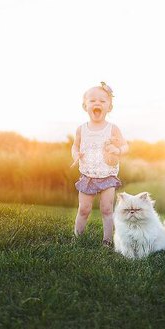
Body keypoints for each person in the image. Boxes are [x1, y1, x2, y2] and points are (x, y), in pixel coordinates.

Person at [71, 82, 129, 247]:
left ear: (109, 107)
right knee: (84, 209)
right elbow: (75, 145)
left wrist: (117, 150)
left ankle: (107, 241)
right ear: (85, 106)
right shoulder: (81, 129)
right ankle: (77, 238)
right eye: (93, 101)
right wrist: (75, 154)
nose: (97, 104)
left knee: (106, 209)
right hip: (87, 175)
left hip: (108, 176)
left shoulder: (112, 129)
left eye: (103, 101)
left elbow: (126, 146)